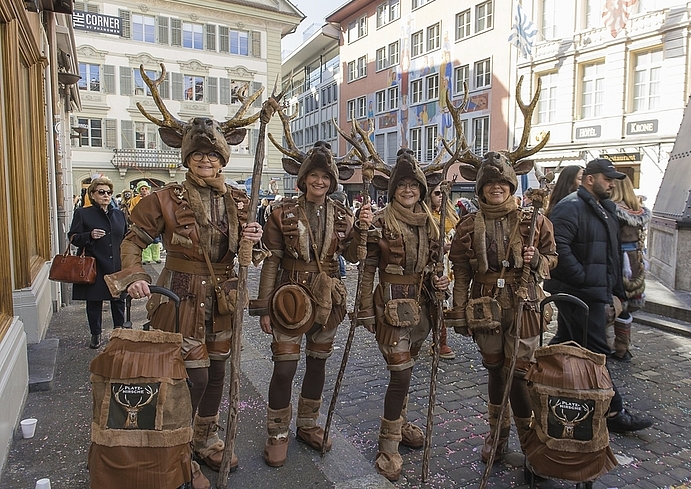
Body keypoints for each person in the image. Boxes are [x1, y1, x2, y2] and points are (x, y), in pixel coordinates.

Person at [105, 145, 264, 488]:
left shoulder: (238, 198)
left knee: (218, 369)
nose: (206, 160)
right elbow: (132, 242)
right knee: (191, 378)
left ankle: (206, 439)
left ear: (223, 159)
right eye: (198, 154)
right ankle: (180, 450)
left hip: (224, 299)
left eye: (213, 155)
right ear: (187, 158)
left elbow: (251, 251)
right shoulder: (164, 198)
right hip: (181, 298)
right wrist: (134, 277)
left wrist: (254, 237)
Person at [255, 141, 373, 468]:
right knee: (285, 368)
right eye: (314, 176)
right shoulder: (281, 213)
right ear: (304, 179)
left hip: (329, 300)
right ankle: (277, 434)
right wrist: (264, 307)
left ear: (332, 182)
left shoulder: (342, 215)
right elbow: (271, 261)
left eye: (325, 177)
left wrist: (361, 229)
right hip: (289, 300)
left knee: (318, 365)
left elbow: (353, 256)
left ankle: (307, 424)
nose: (319, 182)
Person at [448, 154, 557, 463]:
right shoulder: (467, 225)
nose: (496, 188)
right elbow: (461, 272)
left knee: (519, 374)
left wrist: (536, 259)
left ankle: (529, 441)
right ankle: (497, 434)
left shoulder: (533, 220)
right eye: (489, 183)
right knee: (495, 370)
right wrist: (458, 312)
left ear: (510, 185)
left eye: (501, 182)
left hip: (525, 303)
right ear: (481, 189)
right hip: (485, 306)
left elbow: (552, 258)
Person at [355, 149, 449, 481]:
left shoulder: (432, 224)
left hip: (422, 308)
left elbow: (438, 267)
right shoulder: (380, 221)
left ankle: (401, 420)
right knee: (401, 374)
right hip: (390, 307)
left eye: (414, 185)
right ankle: (388, 444)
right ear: (392, 189)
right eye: (402, 185)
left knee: (408, 370)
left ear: (422, 190)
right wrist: (365, 309)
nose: (408, 190)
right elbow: (366, 269)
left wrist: (441, 281)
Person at [545, 158, 652, 433]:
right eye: (607, 178)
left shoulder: (605, 209)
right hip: (578, 294)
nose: (612, 183)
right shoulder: (570, 207)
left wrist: (615, 290)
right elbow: (559, 248)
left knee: (567, 343)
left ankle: (548, 392)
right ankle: (614, 410)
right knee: (596, 351)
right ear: (590, 179)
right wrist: (583, 279)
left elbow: (612, 255)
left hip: (592, 292)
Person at [68, 177, 128, 349]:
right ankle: (95, 333)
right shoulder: (83, 213)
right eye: (101, 192)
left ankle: (119, 332)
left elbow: (126, 237)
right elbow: (73, 237)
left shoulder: (119, 215)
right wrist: (89, 236)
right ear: (92, 194)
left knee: (118, 300)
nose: (106, 196)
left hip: (116, 264)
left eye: (108, 192)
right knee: (94, 301)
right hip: (94, 264)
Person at [610, 175, 651, 362]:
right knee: (626, 304)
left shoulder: (613, 210)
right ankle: (622, 347)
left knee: (615, 300)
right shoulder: (638, 210)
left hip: (618, 259)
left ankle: (611, 345)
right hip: (635, 259)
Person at [429, 184, 460, 359]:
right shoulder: (425, 214)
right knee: (436, 303)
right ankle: (440, 341)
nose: (441, 196)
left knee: (444, 303)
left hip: (449, 265)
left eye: (444, 194)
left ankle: (440, 341)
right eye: (437, 193)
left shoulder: (452, 214)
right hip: (432, 264)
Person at [129, 181, 161, 264]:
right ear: (139, 190)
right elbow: (132, 211)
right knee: (144, 240)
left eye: (145, 188)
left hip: (153, 223)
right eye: (142, 189)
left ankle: (156, 257)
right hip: (142, 223)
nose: (144, 190)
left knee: (156, 242)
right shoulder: (135, 200)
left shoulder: (153, 199)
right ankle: (146, 258)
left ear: (148, 190)